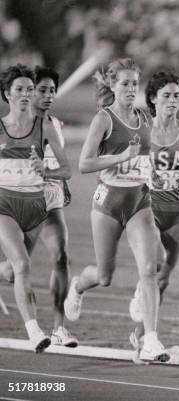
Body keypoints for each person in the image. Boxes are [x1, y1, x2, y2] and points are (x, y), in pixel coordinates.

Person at [63, 58, 169, 362]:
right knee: (105, 276)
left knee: (150, 270)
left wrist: (155, 172)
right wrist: (120, 156)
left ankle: (150, 341)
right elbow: (84, 164)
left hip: (139, 201)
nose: (130, 88)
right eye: (124, 83)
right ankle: (79, 286)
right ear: (112, 85)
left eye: (135, 83)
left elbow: (149, 158)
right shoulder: (104, 120)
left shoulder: (146, 119)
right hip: (108, 203)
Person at [126, 70, 179, 362]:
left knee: (163, 279)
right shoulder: (141, 129)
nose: (172, 101)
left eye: (176, 96)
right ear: (153, 99)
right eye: (166, 96)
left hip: (176, 212)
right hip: (145, 208)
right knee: (154, 264)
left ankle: (140, 335)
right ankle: (150, 335)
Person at [0, 64, 71, 352]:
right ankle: (34, 331)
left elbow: (66, 170)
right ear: (7, 94)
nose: (27, 94)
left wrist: (46, 170)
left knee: (11, 272)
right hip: (4, 204)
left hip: (36, 207)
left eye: (30, 89)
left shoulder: (45, 127)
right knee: (23, 265)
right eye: (20, 89)